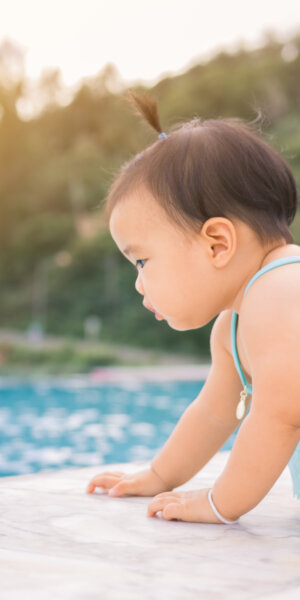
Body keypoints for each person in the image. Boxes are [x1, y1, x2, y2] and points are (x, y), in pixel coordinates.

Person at [86, 92, 300, 524]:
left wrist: (219, 504)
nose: (138, 282)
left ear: (217, 243)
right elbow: (213, 412)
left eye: (142, 261)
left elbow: (281, 413)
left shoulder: (281, 292)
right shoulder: (234, 325)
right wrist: (160, 474)